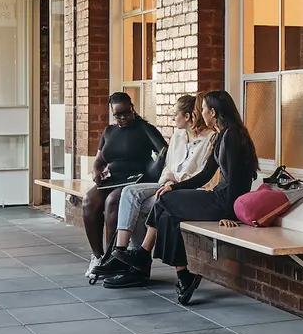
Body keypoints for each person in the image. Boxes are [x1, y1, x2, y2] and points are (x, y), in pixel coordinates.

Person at [143, 90, 258, 304]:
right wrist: (174, 188)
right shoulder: (223, 135)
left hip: (224, 202)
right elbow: (205, 174)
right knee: (168, 212)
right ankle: (184, 276)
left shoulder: (232, 136)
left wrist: (232, 212)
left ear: (213, 112)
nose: (201, 113)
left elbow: (236, 180)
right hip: (219, 197)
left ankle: (143, 254)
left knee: (165, 203)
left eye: (203, 109)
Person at [92, 94, 216, 287]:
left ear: (189, 116)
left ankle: (138, 266)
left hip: (188, 190)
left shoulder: (210, 138)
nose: (173, 117)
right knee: (129, 193)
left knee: (146, 205)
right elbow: (168, 165)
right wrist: (166, 179)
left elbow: (202, 174)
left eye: (176, 113)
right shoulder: (178, 136)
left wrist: (174, 184)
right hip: (166, 184)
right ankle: (120, 252)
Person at [82, 92, 166, 277]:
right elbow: (99, 160)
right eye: (117, 115)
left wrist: (152, 172)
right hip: (111, 179)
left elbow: (164, 152)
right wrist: (97, 171)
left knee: (112, 201)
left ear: (132, 108)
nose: (122, 118)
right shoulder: (109, 132)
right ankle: (98, 256)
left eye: (126, 113)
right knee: (89, 201)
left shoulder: (145, 129)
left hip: (134, 180)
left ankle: (113, 259)